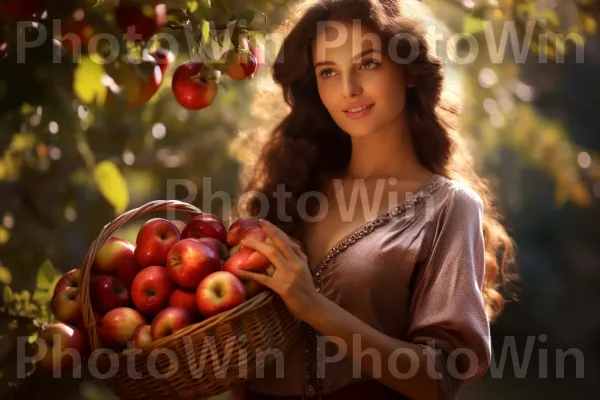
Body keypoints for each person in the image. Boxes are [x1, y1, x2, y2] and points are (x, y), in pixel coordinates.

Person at [227, 0, 519, 399]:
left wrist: (313, 306)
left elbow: (439, 379)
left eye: (367, 64)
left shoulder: (449, 206)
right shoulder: (292, 190)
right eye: (328, 72)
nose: (348, 89)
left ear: (409, 72)